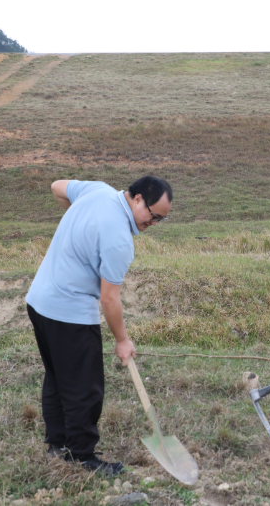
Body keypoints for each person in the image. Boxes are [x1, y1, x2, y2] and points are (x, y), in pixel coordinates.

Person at [25, 176, 172, 476]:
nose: (154, 224)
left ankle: (58, 445)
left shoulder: (96, 190)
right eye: (153, 216)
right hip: (69, 313)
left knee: (57, 378)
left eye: (161, 220)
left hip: (38, 302)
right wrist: (122, 340)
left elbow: (55, 186)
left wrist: (78, 224)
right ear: (139, 199)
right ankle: (82, 455)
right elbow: (109, 299)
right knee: (84, 388)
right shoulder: (119, 238)